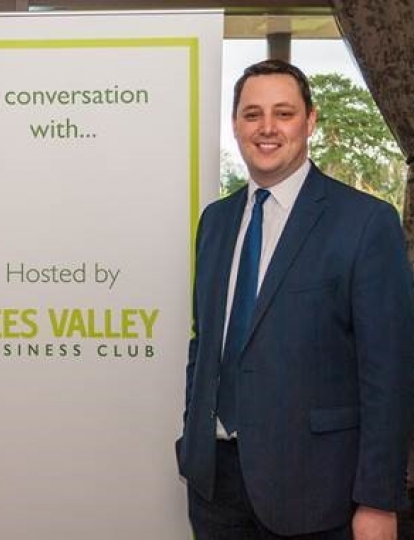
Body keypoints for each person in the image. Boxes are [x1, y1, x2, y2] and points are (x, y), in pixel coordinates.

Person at [177, 59, 414, 539]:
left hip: (318, 493)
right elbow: (205, 344)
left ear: (310, 121)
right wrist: (192, 439)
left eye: (283, 113)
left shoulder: (365, 223)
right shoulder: (216, 221)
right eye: (252, 114)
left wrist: (378, 500)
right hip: (214, 488)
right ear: (235, 125)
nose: (266, 128)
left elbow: (389, 373)